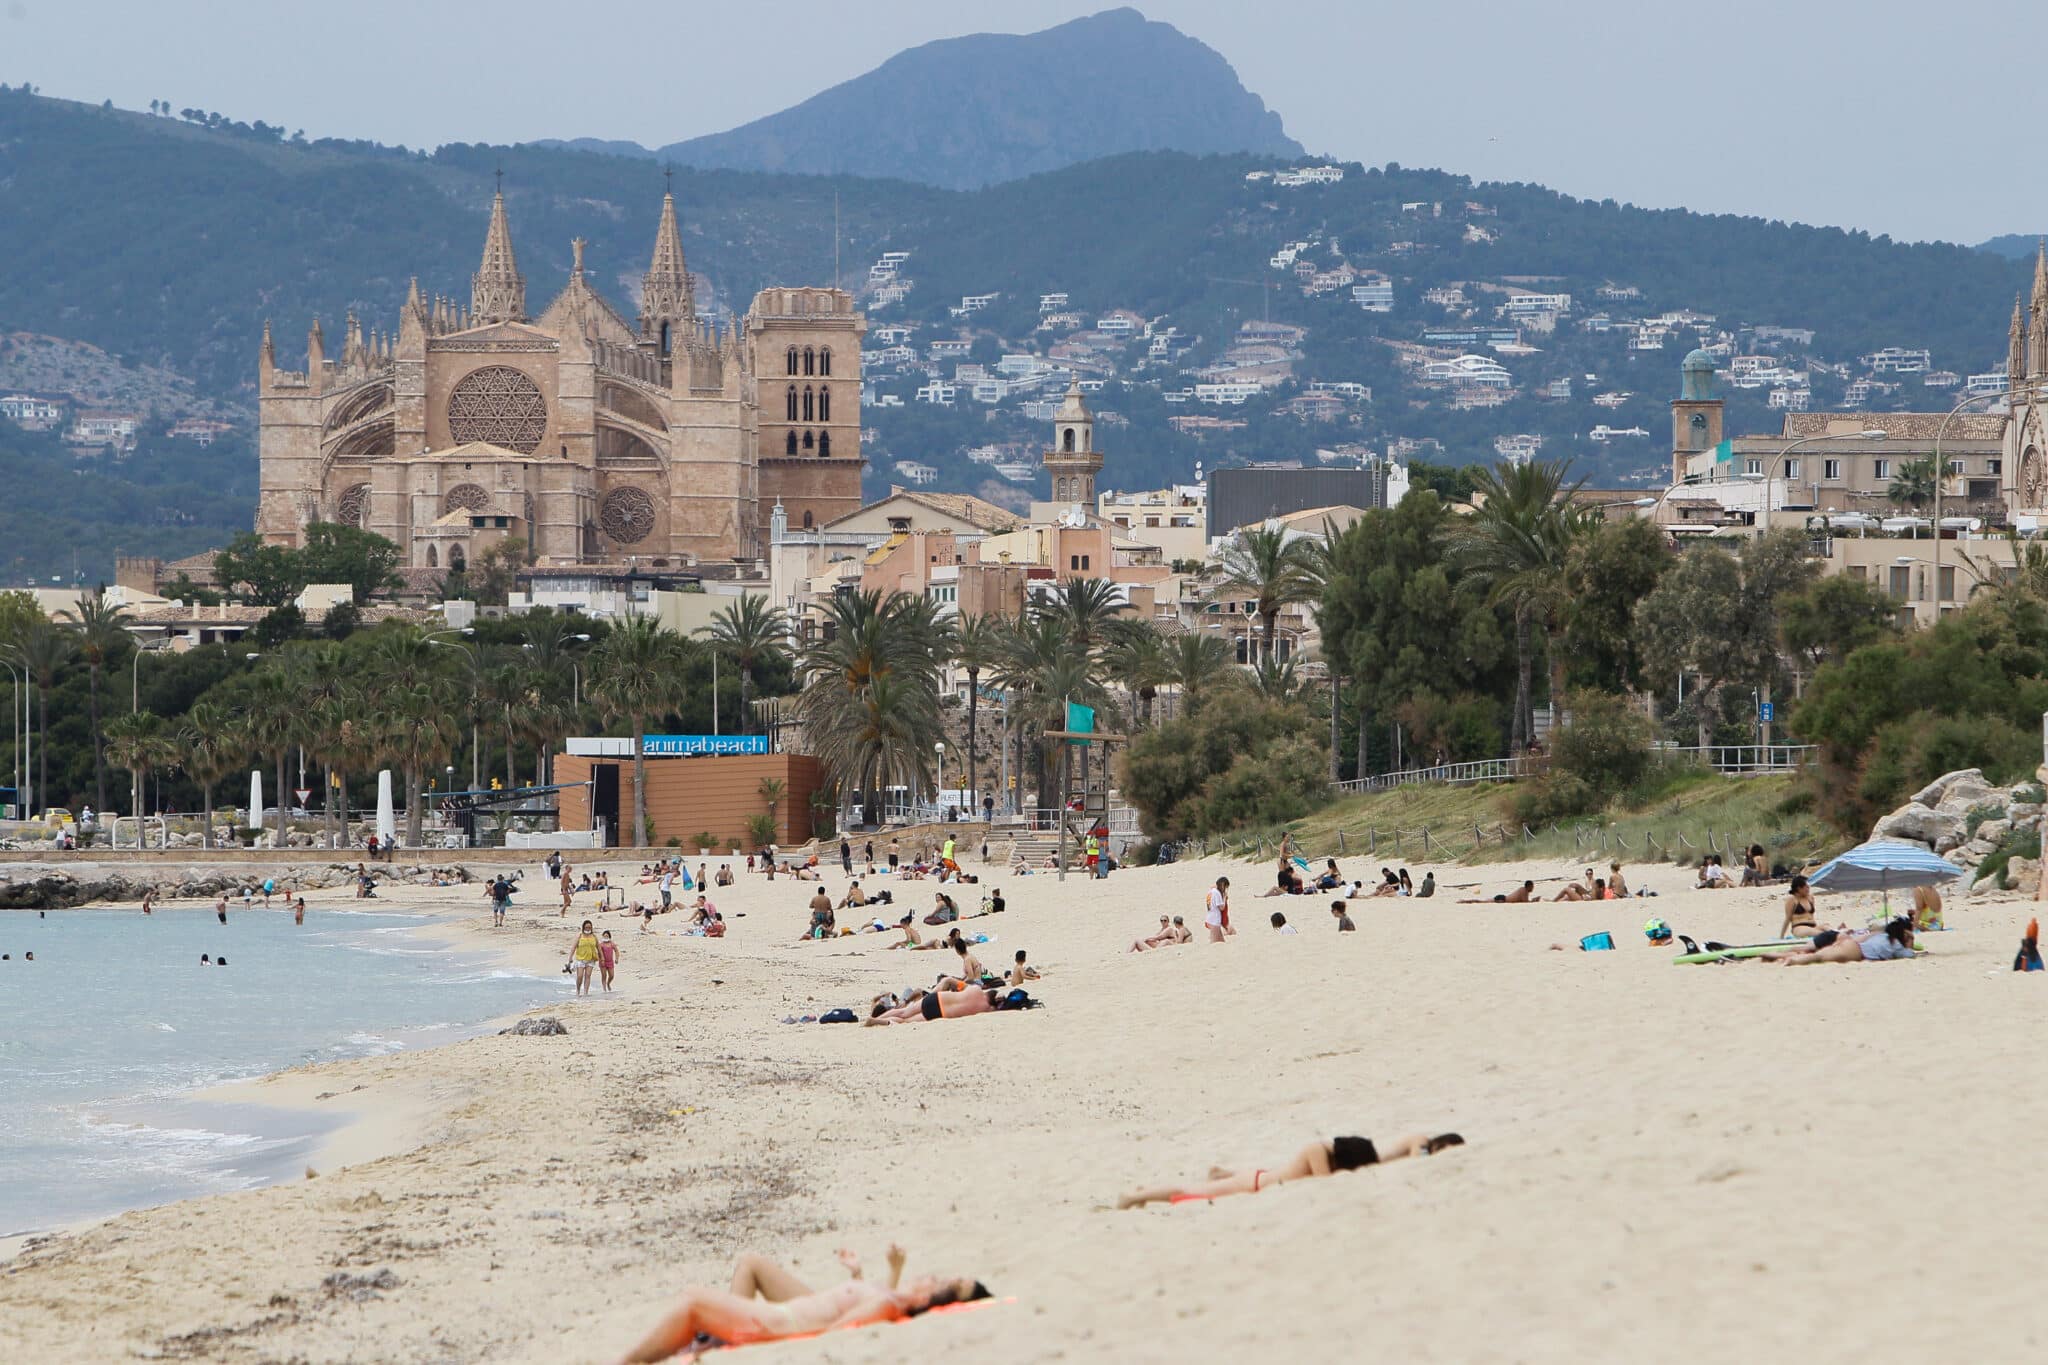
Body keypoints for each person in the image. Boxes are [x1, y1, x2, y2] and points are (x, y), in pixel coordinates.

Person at [619, 1245, 989, 1363]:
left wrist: (771, 1339)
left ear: (927, 1298)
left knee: (693, 1299)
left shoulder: (888, 1303)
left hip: (778, 1320)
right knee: (746, 1264)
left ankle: (625, 1362)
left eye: (943, 1282)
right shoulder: (892, 1296)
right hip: (787, 1313)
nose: (935, 1275)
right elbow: (870, 1307)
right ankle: (705, 1337)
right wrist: (864, 1274)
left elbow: (840, 1331)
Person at [1116, 1132, 1466, 1208]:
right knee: (1188, 1194)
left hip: (1263, 1178)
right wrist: (1424, 1153)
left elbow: (1398, 1149)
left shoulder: (1344, 1158)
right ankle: (1135, 1196)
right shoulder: (1318, 1152)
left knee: (1205, 1190)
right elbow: (1324, 1182)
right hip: (1255, 1184)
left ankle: (1221, 1173)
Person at [1762, 918, 1917, 965]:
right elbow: (1910, 954)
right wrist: (1912, 937)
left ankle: (1776, 955)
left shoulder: (1880, 935)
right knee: (1817, 957)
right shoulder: (1896, 945)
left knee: (1818, 954)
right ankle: (1791, 961)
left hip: (1850, 943)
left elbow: (1858, 938)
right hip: (1856, 951)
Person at [865, 985, 1002, 1025]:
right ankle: (878, 1021)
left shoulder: (975, 990)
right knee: (905, 1021)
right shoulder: (986, 1009)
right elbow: (996, 1008)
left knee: (903, 1012)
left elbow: (957, 985)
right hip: (940, 1013)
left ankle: (878, 1017)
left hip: (936, 998)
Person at [570, 920, 600, 995]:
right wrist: (570, 957)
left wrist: (602, 957)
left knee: (588, 975)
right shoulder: (579, 935)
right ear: (583, 927)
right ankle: (578, 990)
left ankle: (586, 992)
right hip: (581, 959)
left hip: (591, 959)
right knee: (580, 976)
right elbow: (573, 947)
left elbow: (598, 947)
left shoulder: (594, 936)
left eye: (589, 927)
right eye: (586, 927)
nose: (588, 929)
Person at [1205, 877, 1232, 943]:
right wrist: (1225, 898)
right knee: (1214, 942)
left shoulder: (1211, 891)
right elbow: (1221, 907)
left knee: (1221, 941)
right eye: (1226, 887)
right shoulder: (1217, 893)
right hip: (1214, 920)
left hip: (1210, 918)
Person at [1460, 881, 1534, 904]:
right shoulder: (1524, 891)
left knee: (1482, 901)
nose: (1532, 888)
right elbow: (1526, 902)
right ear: (1528, 886)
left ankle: (1464, 901)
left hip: (1503, 898)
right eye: (1532, 887)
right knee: (1481, 902)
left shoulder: (1523, 890)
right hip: (1502, 900)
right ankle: (1464, 901)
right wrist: (1535, 900)